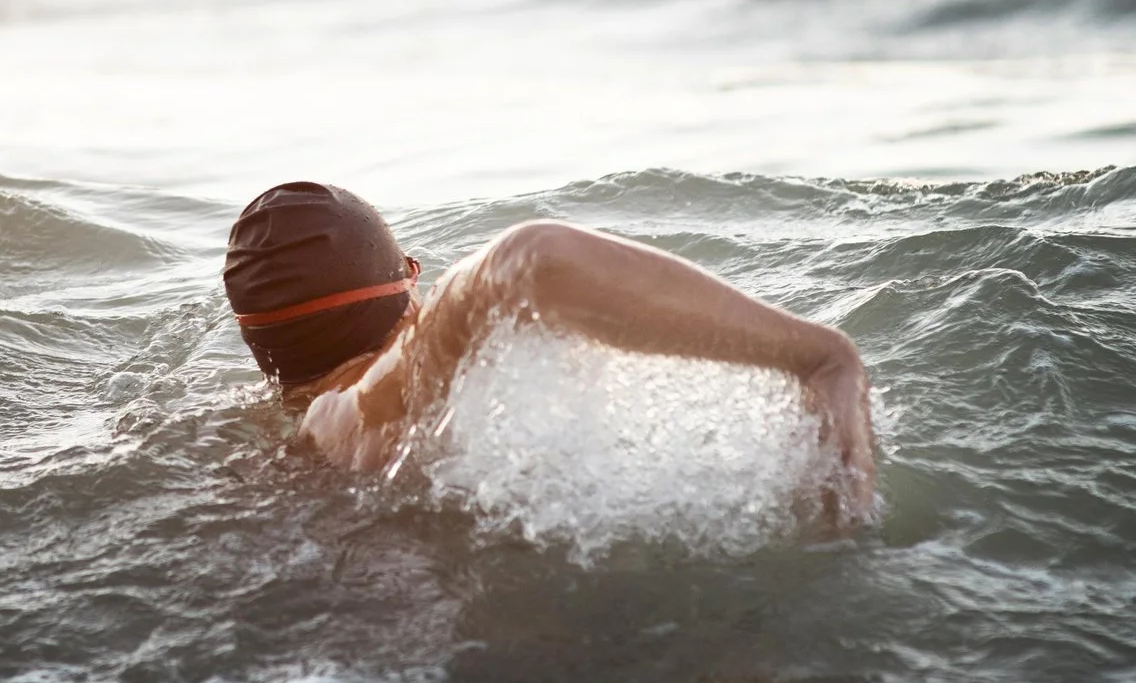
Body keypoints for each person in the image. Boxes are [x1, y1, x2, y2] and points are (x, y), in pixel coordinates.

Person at [223, 181, 877, 526]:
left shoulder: (281, 436)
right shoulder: (355, 410)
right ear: (404, 288)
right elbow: (535, 256)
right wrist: (822, 357)